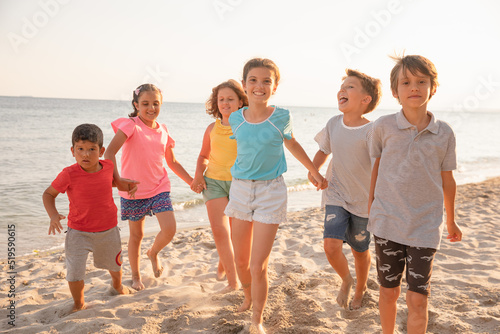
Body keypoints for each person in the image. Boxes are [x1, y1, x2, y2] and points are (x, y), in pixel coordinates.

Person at [225, 58, 327, 334]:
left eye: (266, 81)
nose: (260, 86)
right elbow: (239, 153)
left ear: (275, 86)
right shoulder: (235, 118)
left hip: (271, 191)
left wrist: (314, 170)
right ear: (245, 84)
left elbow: (292, 143)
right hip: (241, 190)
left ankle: (257, 319)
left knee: (258, 264)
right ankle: (248, 295)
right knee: (241, 262)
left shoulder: (280, 116)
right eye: (253, 80)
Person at [368, 54, 463, 334]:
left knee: (418, 299)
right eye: (406, 82)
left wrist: (452, 219)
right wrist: (370, 207)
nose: (414, 87)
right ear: (395, 91)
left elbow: (448, 179)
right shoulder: (383, 126)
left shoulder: (444, 133)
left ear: (433, 88)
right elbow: (376, 169)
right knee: (388, 292)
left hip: (425, 227)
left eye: (422, 81)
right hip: (387, 222)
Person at [105, 84, 194, 291]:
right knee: (136, 236)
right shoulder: (130, 125)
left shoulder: (163, 130)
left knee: (170, 229)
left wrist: (191, 181)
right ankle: (136, 277)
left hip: (159, 187)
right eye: (145, 104)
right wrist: (118, 181)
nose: (151, 108)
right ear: (136, 105)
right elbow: (109, 154)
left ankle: (153, 252)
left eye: (156, 103)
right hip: (133, 191)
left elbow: (172, 162)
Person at [42, 124, 137, 312]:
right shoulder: (68, 174)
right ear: (73, 151)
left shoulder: (108, 166)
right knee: (75, 272)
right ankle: (79, 304)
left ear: (101, 151)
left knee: (115, 265)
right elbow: (48, 194)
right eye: (81, 149)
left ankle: (117, 287)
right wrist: (53, 215)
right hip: (78, 232)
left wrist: (127, 186)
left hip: (108, 229)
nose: (86, 154)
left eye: (92, 149)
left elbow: (109, 183)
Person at [309, 69, 382, 310]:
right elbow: (323, 151)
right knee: (330, 246)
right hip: (336, 193)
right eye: (342, 86)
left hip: (364, 201)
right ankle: (346, 280)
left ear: (365, 100)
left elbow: (378, 168)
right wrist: (314, 171)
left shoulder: (372, 131)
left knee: (359, 250)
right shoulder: (333, 123)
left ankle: (361, 288)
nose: (342, 90)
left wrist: (377, 200)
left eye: (350, 87)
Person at [190, 79, 248, 292]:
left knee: (235, 234)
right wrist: (198, 176)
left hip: (239, 185)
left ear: (241, 101)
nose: (225, 103)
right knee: (219, 231)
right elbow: (204, 155)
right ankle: (232, 284)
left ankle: (225, 262)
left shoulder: (246, 126)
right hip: (213, 182)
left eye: (230, 99)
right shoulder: (211, 128)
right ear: (216, 103)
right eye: (221, 99)